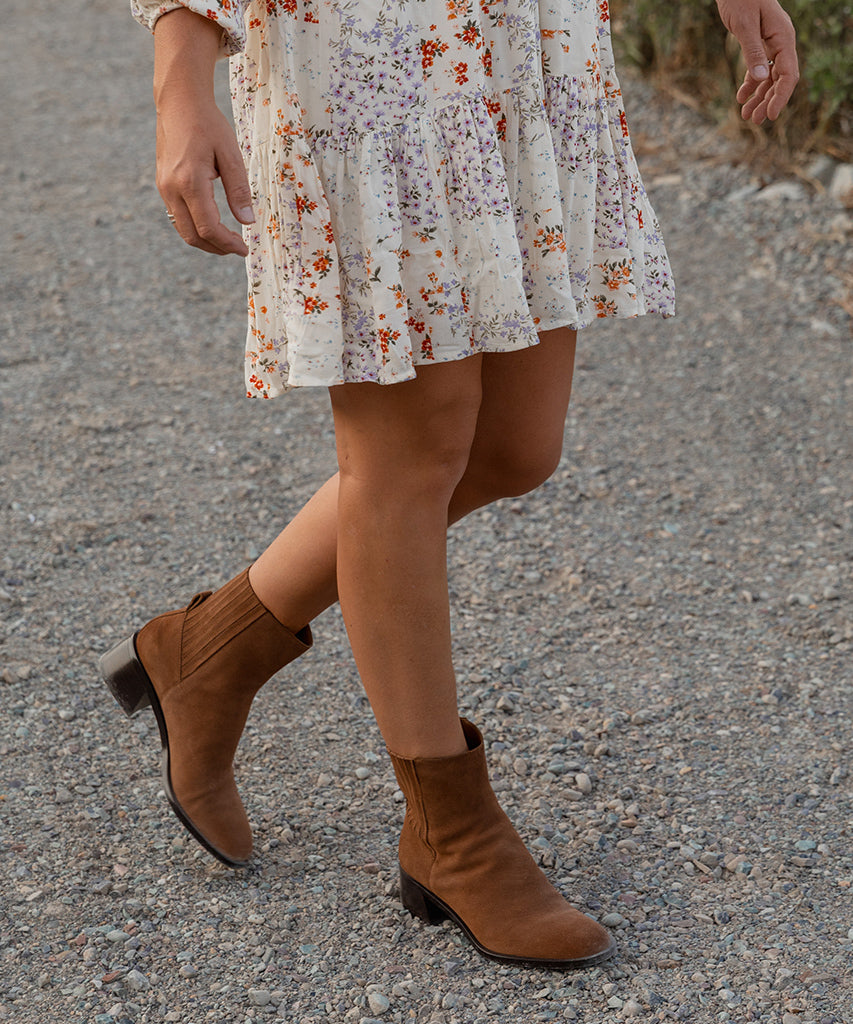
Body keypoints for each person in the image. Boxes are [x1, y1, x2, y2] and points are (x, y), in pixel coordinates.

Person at [102, 0, 798, 969]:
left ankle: (208, 652)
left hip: (523, 38)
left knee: (514, 445)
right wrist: (181, 80)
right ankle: (449, 830)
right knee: (408, 456)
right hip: (365, 52)